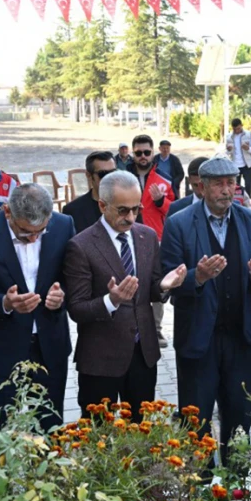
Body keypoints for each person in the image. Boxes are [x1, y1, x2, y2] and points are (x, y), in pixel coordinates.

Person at [160, 157, 251, 464]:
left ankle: (235, 484)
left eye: (231, 183)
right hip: (198, 340)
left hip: (239, 336)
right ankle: (201, 486)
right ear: (202, 186)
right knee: (196, 420)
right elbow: (165, 281)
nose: (227, 190)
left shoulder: (250, 220)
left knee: (239, 416)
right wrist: (198, 276)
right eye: (220, 184)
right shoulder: (179, 223)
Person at [64, 171, 187, 420]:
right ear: (102, 205)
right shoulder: (81, 245)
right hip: (101, 359)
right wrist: (112, 301)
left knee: (140, 433)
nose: (130, 218)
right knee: (99, 437)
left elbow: (151, 287)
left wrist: (164, 286)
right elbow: (76, 308)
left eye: (136, 209)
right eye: (122, 211)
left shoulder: (147, 236)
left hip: (143, 355)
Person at [0, 184, 74, 434]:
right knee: (1, 428)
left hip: (49, 345)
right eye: (24, 232)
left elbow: (72, 276)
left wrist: (61, 295)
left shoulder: (64, 225)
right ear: (7, 211)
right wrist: (4, 303)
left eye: (40, 231)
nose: (33, 238)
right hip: (0, 348)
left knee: (51, 425)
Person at [126, 134, 175, 347]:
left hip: (155, 237)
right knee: (128, 281)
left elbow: (174, 209)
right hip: (125, 236)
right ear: (132, 153)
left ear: (153, 152)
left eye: (147, 152)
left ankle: (156, 329)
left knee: (157, 283)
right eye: (138, 153)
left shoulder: (164, 178)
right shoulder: (122, 176)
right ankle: (129, 328)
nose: (143, 156)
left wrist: (160, 201)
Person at [63, 151, 116, 234]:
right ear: (89, 175)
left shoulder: (130, 205)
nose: (109, 178)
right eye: (102, 174)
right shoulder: (72, 211)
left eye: (113, 172)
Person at [225, 119, 251, 197]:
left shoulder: (248, 134)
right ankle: (237, 203)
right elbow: (227, 152)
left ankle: (248, 203)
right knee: (236, 186)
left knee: (248, 185)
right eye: (235, 129)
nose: (237, 131)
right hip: (235, 165)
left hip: (247, 164)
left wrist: (248, 148)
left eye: (238, 128)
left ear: (242, 126)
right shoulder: (229, 136)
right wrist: (228, 150)